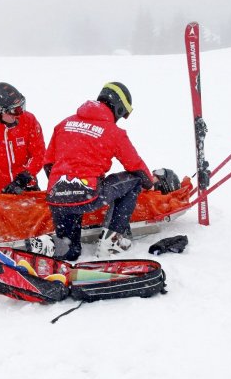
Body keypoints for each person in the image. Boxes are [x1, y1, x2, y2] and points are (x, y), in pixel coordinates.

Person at [42, 81, 176, 260]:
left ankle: (58, 246)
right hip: (87, 194)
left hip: (57, 198)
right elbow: (136, 167)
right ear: (119, 108)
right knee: (135, 180)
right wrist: (150, 184)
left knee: (70, 252)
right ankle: (112, 240)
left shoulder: (64, 123)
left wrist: (65, 191)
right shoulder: (114, 132)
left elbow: (48, 164)